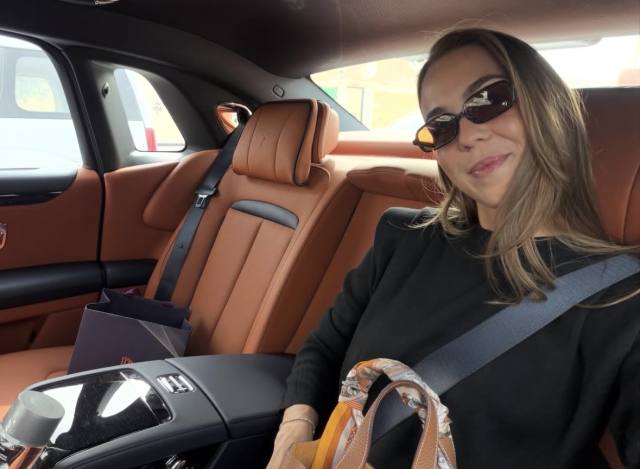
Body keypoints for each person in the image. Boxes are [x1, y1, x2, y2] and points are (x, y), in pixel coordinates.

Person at [267, 28, 640, 468]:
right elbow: (324, 347)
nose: (466, 135)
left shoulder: (621, 297)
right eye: (441, 126)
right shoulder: (403, 237)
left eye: (488, 100)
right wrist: (292, 437)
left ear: (545, 105)